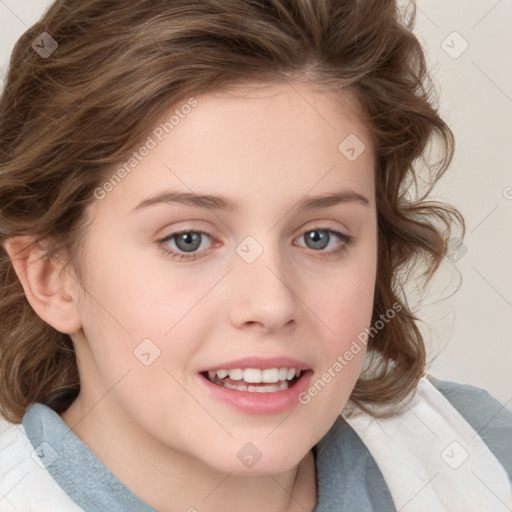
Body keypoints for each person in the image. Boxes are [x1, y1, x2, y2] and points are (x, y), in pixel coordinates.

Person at [0, 0, 510, 511]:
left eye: (320, 237)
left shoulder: (482, 455)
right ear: (50, 275)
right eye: (189, 240)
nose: (271, 304)